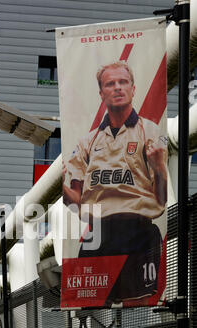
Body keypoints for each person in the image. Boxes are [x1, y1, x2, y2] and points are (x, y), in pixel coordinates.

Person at [63, 61, 167, 305]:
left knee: (140, 305)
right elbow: (75, 202)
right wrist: (66, 195)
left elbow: (161, 199)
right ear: (101, 93)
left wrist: (160, 167)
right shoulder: (87, 142)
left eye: (123, 82)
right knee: (90, 308)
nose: (117, 88)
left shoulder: (150, 132)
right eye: (110, 84)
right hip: (97, 233)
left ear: (133, 89)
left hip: (138, 229)